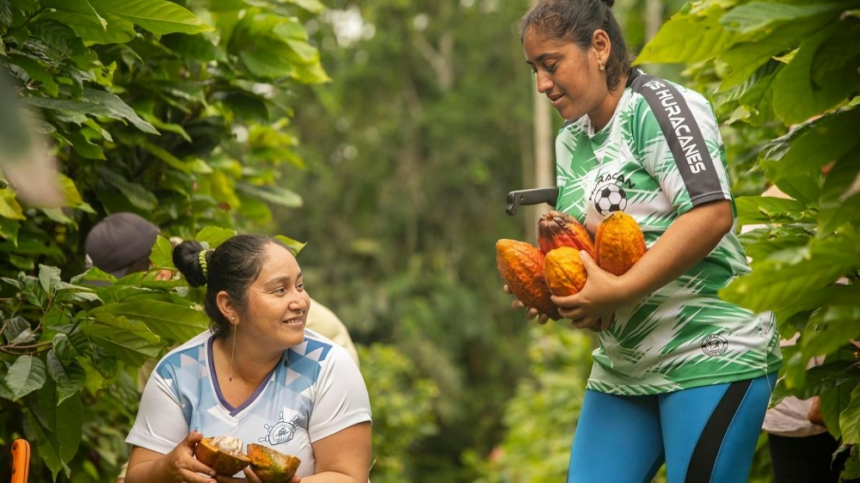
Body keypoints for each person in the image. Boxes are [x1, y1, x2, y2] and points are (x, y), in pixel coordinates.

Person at [508, 1, 782, 481]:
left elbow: (713, 212)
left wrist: (621, 290)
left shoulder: (659, 107)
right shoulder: (571, 140)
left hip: (709, 351)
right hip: (624, 367)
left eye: (550, 66)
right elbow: (593, 261)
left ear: (599, 46)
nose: (542, 85)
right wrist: (561, 296)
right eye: (534, 69)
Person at [124, 234, 372, 483]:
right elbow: (137, 475)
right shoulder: (177, 373)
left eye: (299, 285)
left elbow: (349, 476)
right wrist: (168, 468)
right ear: (229, 306)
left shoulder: (328, 366)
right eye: (279, 290)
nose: (301, 302)